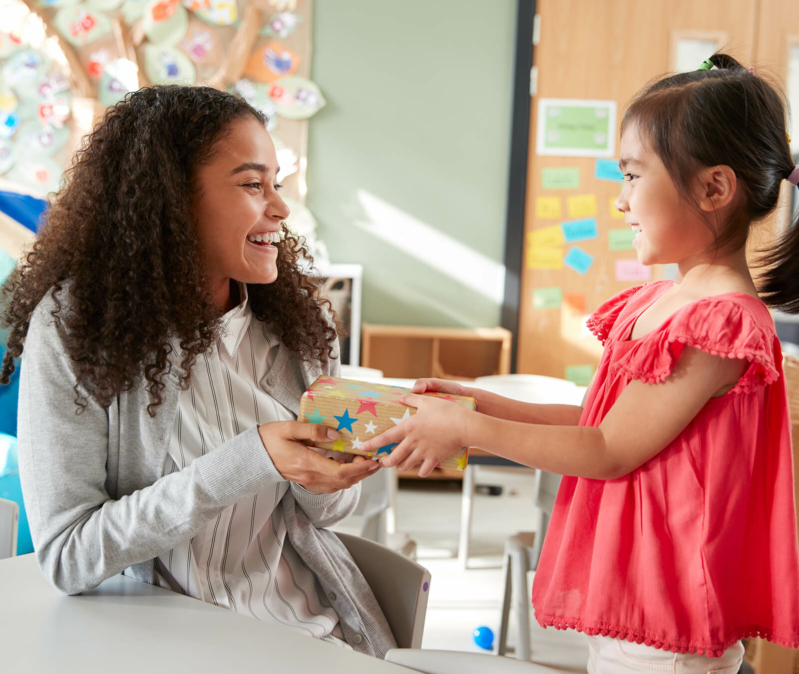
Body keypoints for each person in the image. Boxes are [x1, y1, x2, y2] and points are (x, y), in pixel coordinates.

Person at [361, 54, 799, 672]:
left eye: (631, 175)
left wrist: (466, 430)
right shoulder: (669, 301)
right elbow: (598, 422)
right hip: (634, 598)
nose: (620, 201)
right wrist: (481, 402)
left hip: (665, 617)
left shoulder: (718, 323)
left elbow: (608, 450)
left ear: (713, 188)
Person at [4, 85, 395, 657]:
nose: (280, 209)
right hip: (150, 648)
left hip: (303, 636)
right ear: (170, 200)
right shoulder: (77, 328)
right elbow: (70, 556)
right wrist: (252, 457)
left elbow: (325, 517)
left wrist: (327, 476)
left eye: (277, 185)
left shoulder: (298, 325)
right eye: (251, 184)